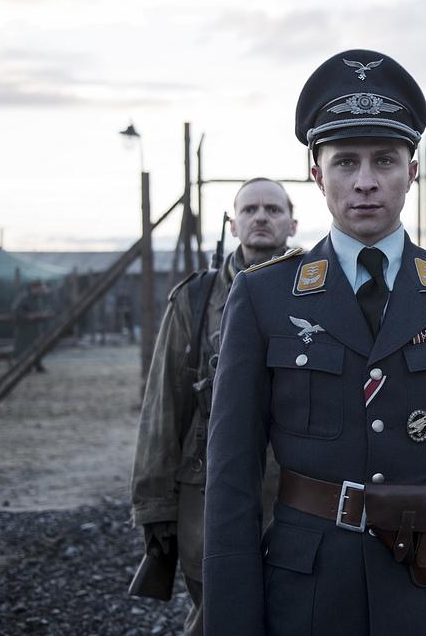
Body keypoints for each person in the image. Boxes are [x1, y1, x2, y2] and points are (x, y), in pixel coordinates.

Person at [203, 50, 426, 636]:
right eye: (345, 161)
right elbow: (231, 477)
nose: (364, 181)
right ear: (316, 174)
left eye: (384, 159)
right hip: (307, 593)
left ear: (412, 170)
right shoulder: (263, 296)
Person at [130, 177, 298, 635]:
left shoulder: (318, 290)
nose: (261, 217)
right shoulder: (195, 297)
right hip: (205, 483)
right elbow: (164, 400)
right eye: (249, 210)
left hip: (294, 485)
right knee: (217, 610)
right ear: (233, 224)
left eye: (273, 210)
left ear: (292, 224)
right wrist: (154, 502)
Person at [11, 279, 52, 371]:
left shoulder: (38, 299)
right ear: (34, 288)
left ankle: (38, 365)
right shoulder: (24, 298)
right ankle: (25, 367)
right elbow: (17, 311)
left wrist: (43, 314)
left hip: (36, 328)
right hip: (25, 329)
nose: (42, 290)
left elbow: (39, 310)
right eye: (40, 288)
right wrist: (30, 316)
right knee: (25, 348)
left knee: (38, 347)